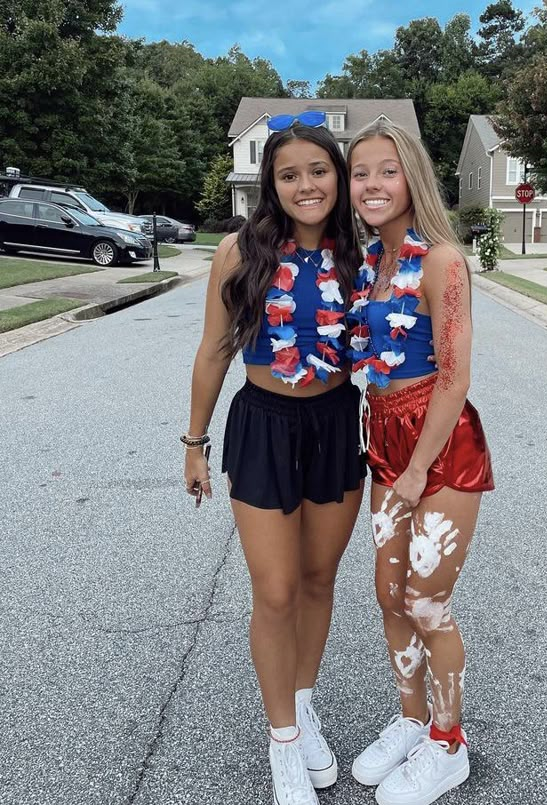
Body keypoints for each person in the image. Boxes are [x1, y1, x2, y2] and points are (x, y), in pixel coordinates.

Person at [183, 115, 366, 805]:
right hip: (264, 423)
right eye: (289, 174)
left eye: (319, 171)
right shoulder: (241, 250)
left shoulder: (361, 253)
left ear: (337, 177)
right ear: (272, 184)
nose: (306, 184)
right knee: (277, 589)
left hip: (335, 419)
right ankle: (283, 740)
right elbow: (213, 350)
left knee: (319, 578)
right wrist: (194, 442)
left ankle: (303, 702)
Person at [346, 120, 494, 805]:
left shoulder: (442, 261)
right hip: (384, 436)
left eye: (386, 170)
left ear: (412, 178)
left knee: (427, 601)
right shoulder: (371, 262)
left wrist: (411, 474)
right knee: (388, 595)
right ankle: (410, 720)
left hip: (440, 445)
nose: (371, 184)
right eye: (360, 173)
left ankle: (448, 743)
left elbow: (455, 378)